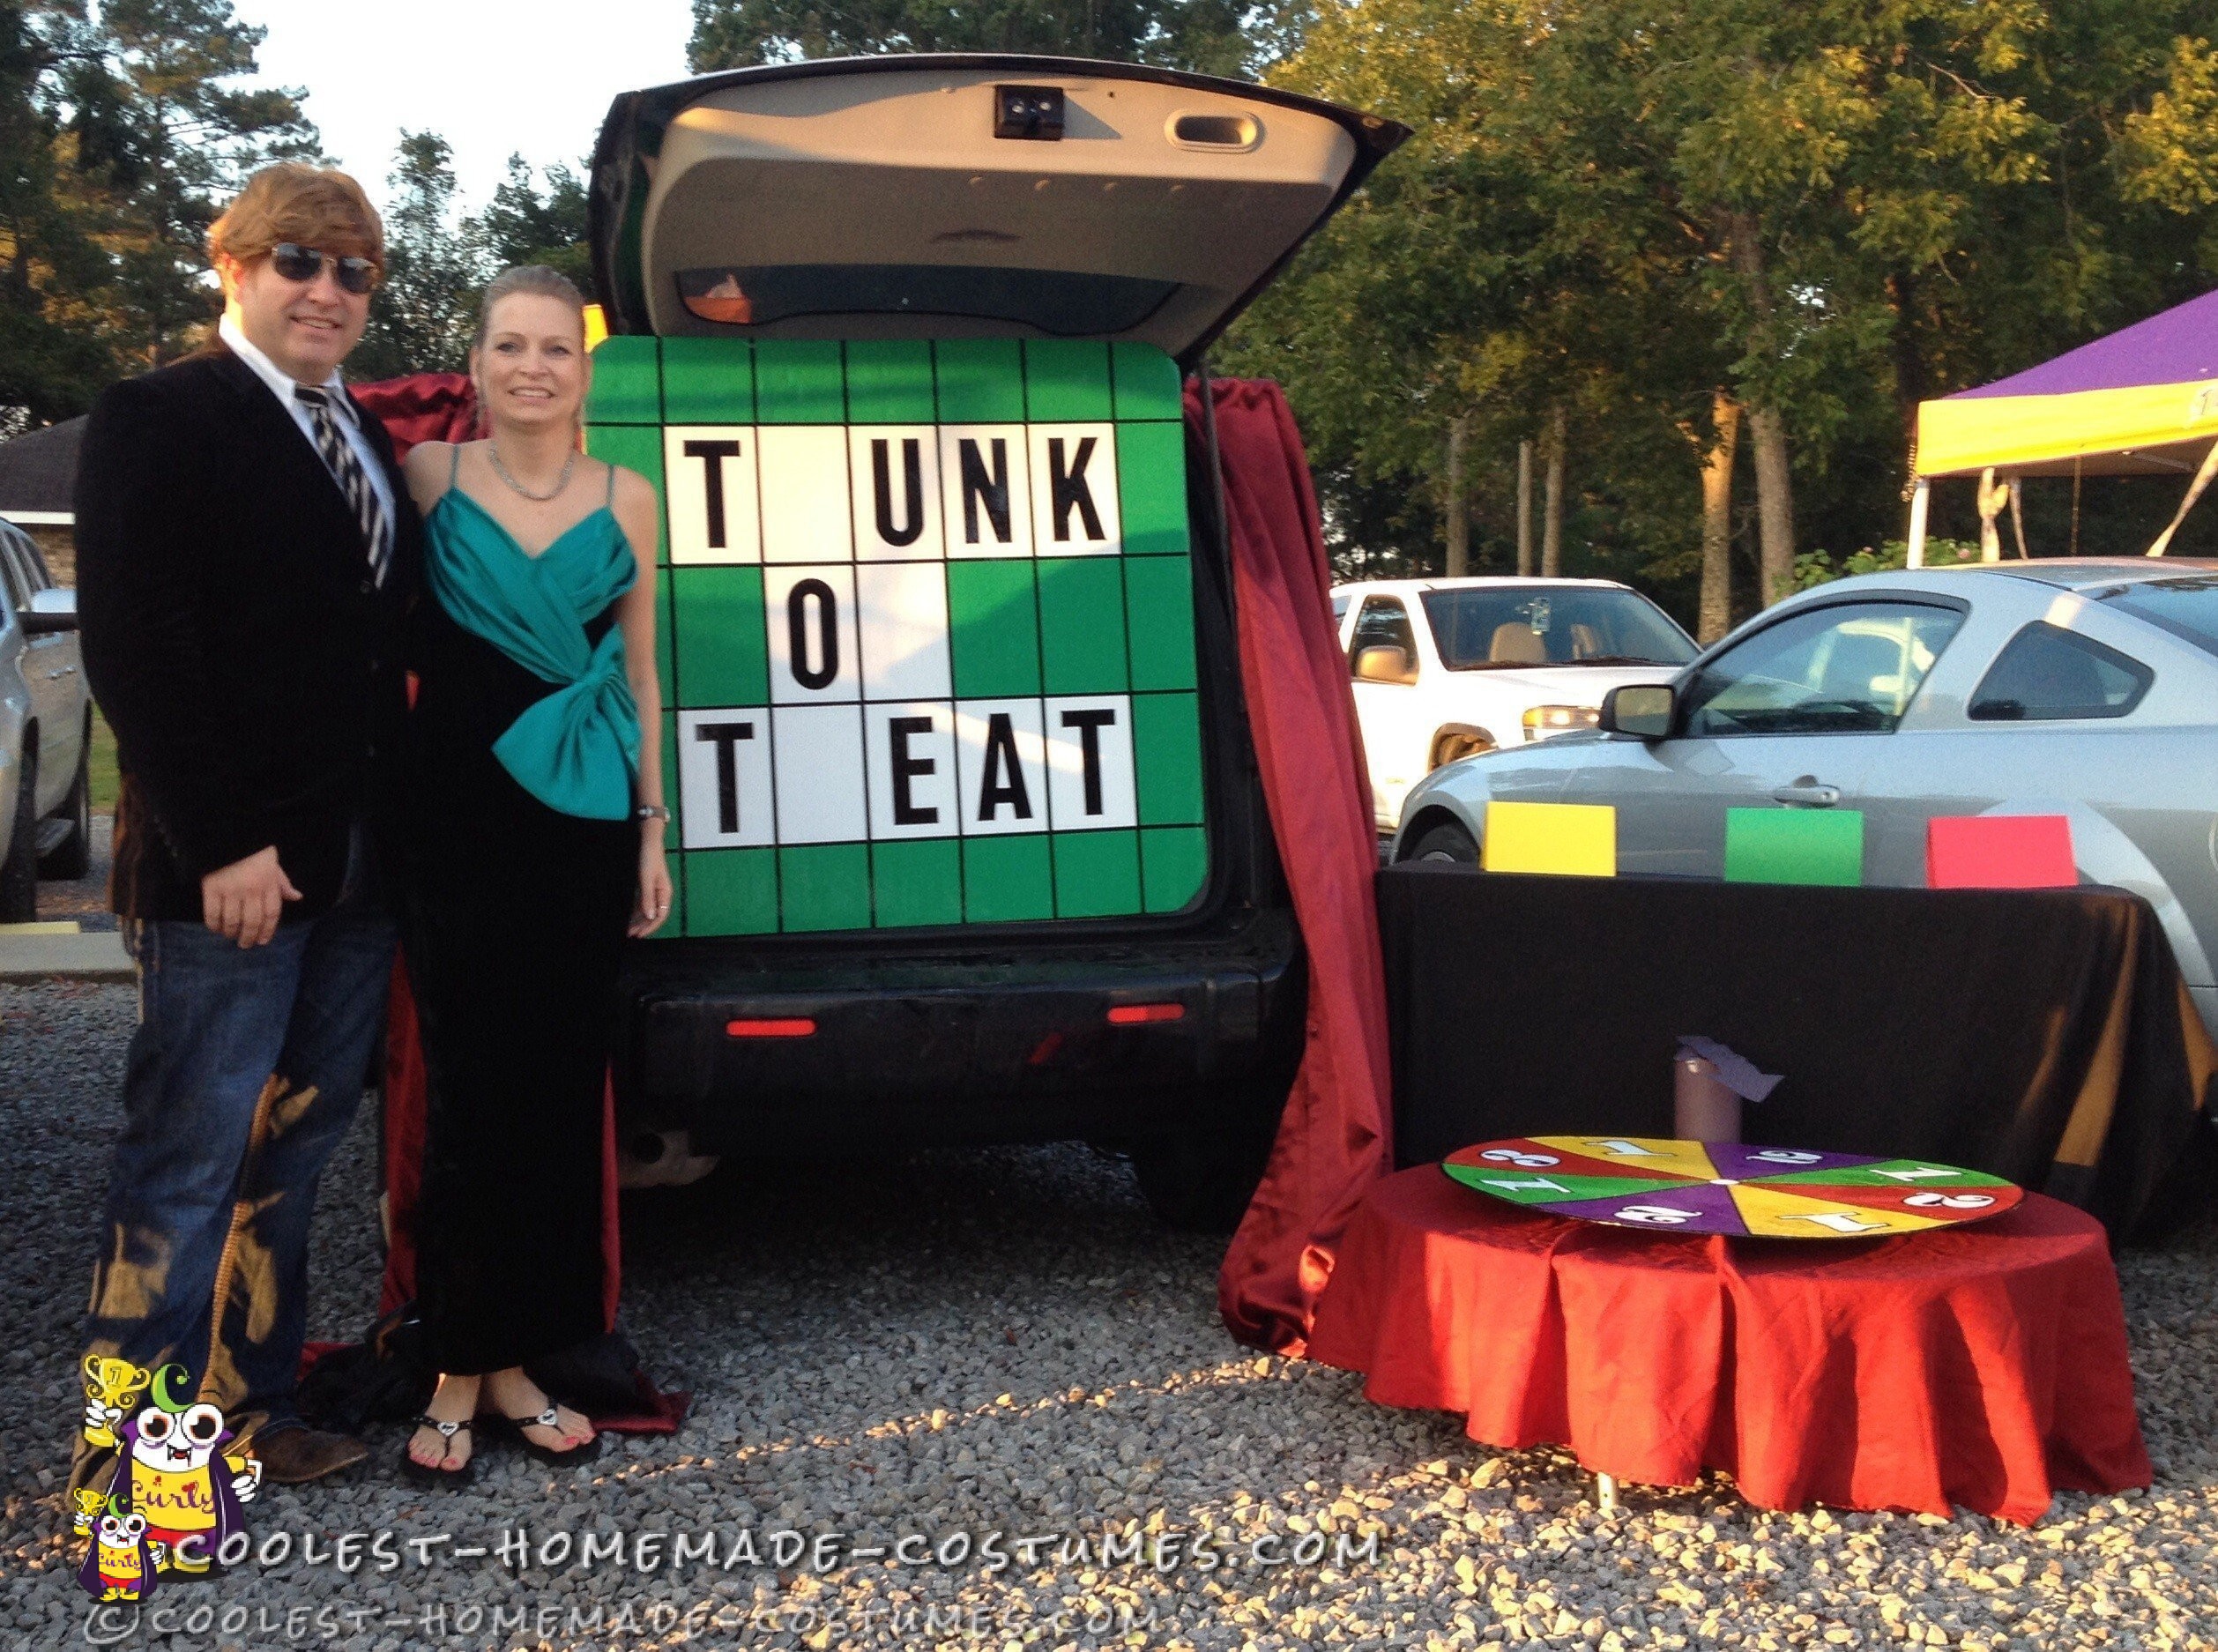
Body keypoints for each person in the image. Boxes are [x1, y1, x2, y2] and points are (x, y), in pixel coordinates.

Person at [72, 163, 421, 1491]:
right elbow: (137, 649)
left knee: (295, 1148)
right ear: (233, 263)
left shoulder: (366, 438)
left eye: (353, 271)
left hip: (355, 862)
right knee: (185, 1155)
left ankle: (248, 1408)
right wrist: (222, 841)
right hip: (230, 869)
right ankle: (128, 1460)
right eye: (298, 261)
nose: (327, 289)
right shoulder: (159, 416)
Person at [396, 265, 669, 1481]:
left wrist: (653, 829)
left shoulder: (631, 496)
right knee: (469, 1089)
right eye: (510, 344)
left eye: (555, 348)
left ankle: (517, 1363)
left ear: (583, 367)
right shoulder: (428, 479)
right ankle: (458, 1362)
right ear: (478, 361)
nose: (533, 367)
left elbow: (645, 676)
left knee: (558, 1094)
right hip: (455, 814)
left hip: (584, 824)